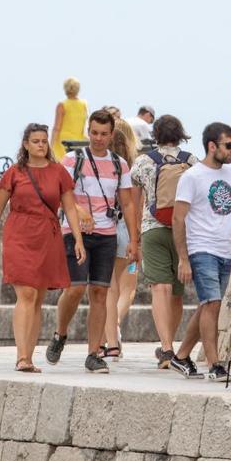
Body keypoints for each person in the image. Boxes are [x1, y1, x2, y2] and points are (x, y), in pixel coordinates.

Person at [0, 124, 85, 373]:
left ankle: (28, 355)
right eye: (35, 141)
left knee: (37, 298)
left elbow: (70, 208)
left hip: (47, 236)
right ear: (25, 144)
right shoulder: (14, 173)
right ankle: (22, 356)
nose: (41, 145)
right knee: (26, 294)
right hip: (19, 234)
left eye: (44, 141)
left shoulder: (58, 172)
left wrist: (78, 239)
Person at [45, 109, 139, 374]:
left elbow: (128, 203)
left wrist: (134, 240)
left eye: (104, 134)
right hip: (75, 233)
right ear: (88, 132)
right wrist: (78, 210)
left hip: (107, 234)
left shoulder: (120, 164)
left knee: (99, 292)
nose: (98, 138)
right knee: (75, 288)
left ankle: (93, 353)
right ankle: (60, 333)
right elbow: (60, 194)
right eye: (94, 133)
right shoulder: (72, 160)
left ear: (111, 135)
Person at [171, 122, 231, 382]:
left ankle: (181, 356)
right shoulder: (191, 177)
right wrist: (183, 259)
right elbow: (178, 218)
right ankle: (214, 364)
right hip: (201, 248)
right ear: (212, 146)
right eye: (228, 145)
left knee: (208, 304)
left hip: (223, 250)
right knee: (213, 304)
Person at [133, 114, 196, 369]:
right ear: (180, 135)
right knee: (177, 294)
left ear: (156, 135)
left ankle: (167, 348)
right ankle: (171, 344)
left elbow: (135, 200)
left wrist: (135, 237)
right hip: (184, 231)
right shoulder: (191, 162)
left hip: (153, 228)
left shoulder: (143, 162)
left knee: (160, 289)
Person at [103, 118, 141, 359]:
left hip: (106, 227)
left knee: (109, 288)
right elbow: (136, 207)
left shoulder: (102, 166)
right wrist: (138, 239)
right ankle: (115, 325)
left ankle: (110, 341)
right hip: (129, 232)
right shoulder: (135, 168)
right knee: (129, 288)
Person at [51, 78, 88, 160]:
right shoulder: (84, 104)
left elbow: (57, 128)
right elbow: (84, 125)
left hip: (64, 142)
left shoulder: (62, 105)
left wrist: (51, 145)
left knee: (63, 164)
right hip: (79, 142)